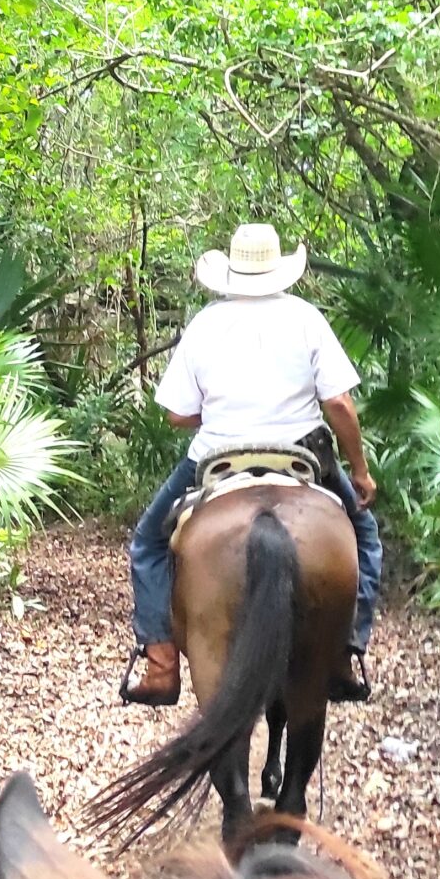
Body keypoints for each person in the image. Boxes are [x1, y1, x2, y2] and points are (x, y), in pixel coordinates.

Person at [125, 222, 382, 707]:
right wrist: (361, 470)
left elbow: (177, 413)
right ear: (279, 270)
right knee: (365, 537)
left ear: (231, 271)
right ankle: (345, 651)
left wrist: (220, 410)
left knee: (148, 543)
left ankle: (160, 664)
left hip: (218, 458)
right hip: (303, 457)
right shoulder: (306, 318)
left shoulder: (205, 323)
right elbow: (341, 406)